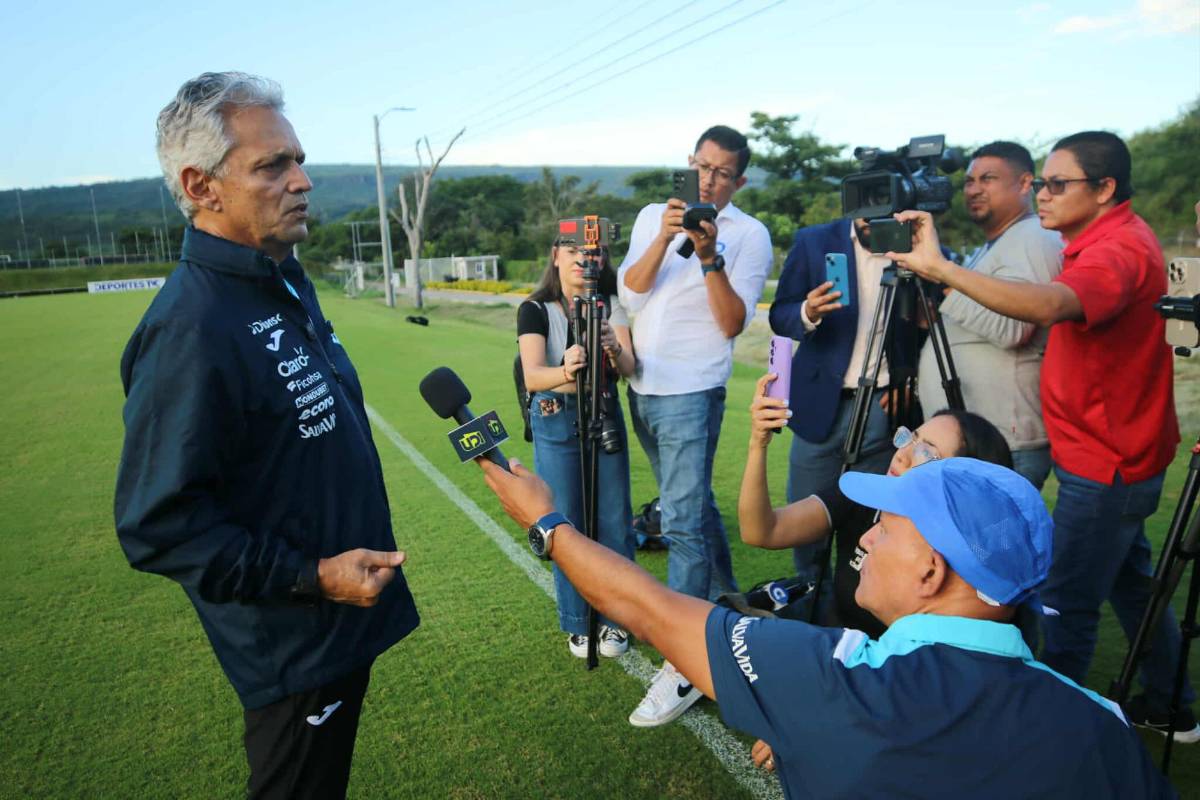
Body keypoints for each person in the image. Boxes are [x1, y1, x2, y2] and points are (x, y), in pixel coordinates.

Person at [480, 455, 1174, 798]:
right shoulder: (1105, 723)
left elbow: (649, 610)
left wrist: (546, 523)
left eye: (885, 525)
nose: (865, 539)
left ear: (932, 572)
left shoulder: (843, 681)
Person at [114, 72, 419, 799]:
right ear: (202, 185)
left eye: (299, 159)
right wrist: (311, 577)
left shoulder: (281, 277)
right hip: (294, 646)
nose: (303, 180)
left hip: (340, 623)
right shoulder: (192, 327)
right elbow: (160, 526)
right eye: (273, 165)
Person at [890, 130, 1195, 741]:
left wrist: (942, 270)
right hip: (1109, 454)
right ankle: (1172, 702)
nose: (1045, 195)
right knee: (1132, 585)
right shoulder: (1095, 241)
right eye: (1044, 182)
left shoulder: (1117, 250)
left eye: (1059, 184)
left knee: (1066, 605)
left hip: (1107, 461)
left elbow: (1050, 307)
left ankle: (1045, 740)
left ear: (1105, 189)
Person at [617, 125, 773, 726]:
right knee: (695, 508)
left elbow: (733, 323)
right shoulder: (655, 213)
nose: (709, 180)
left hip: (692, 388)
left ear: (740, 180)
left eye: (722, 173)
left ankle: (683, 660)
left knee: (681, 521)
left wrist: (710, 256)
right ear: (689, 165)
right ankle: (730, 612)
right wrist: (663, 236)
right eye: (700, 167)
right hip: (643, 385)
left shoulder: (749, 234)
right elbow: (632, 291)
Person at [739, 372, 1013, 638]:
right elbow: (764, 531)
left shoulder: (967, 555)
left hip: (903, 672)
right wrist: (757, 444)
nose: (902, 455)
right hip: (838, 647)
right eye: (910, 438)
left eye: (926, 452)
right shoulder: (864, 491)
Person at [768, 216, 917, 587]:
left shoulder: (914, 245)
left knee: (869, 521)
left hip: (885, 408)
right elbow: (779, 315)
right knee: (806, 520)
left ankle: (855, 606)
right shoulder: (814, 240)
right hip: (819, 404)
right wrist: (808, 311)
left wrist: (907, 380)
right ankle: (809, 598)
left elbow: (924, 327)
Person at [916, 141, 1063, 489]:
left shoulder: (1034, 236)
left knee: (987, 542)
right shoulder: (992, 245)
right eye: (969, 181)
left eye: (988, 178)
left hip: (1004, 442)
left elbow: (1014, 328)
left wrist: (943, 280)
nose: (974, 189)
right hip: (977, 437)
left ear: (1025, 183)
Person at [518, 241, 636, 658]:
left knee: (614, 520)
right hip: (555, 412)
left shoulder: (610, 305)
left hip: (603, 410)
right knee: (565, 523)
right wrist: (565, 370)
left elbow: (628, 368)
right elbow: (533, 376)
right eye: (573, 253)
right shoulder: (535, 309)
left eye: (594, 254)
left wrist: (613, 346)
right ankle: (576, 620)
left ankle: (618, 619)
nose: (585, 262)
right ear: (555, 257)